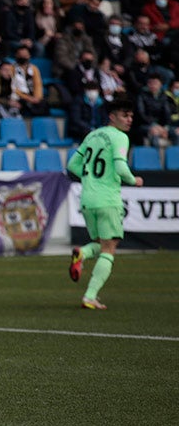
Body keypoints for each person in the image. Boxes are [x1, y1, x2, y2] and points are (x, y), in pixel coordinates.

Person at [67, 97, 144, 310]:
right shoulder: (119, 137)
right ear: (112, 117)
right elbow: (120, 168)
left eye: (130, 116)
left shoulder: (92, 135)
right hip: (108, 199)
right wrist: (133, 180)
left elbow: (72, 164)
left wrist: (90, 179)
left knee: (101, 243)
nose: (129, 120)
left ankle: (81, 253)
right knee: (109, 249)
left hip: (87, 199)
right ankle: (90, 296)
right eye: (124, 115)